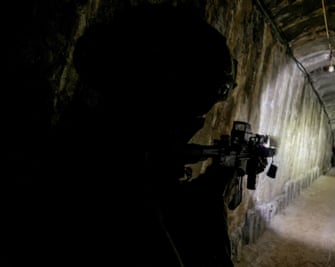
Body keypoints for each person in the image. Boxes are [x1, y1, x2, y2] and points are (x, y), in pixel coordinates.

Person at [12, 3, 236, 266]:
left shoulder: (90, 152)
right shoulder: (103, 185)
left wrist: (211, 185)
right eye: (193, 108)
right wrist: (211, 202)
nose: (193, 124)